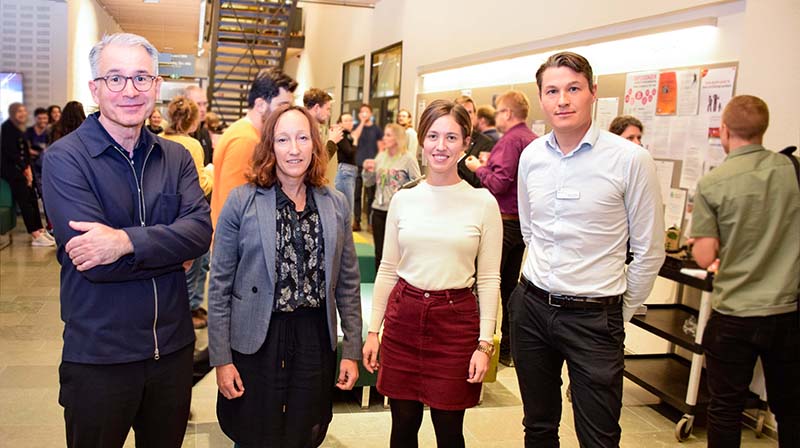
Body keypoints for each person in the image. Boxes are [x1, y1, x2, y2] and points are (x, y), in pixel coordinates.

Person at [41, 33, 212, 448]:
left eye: (141, 78)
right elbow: (96, 264)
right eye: (115, 78)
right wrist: (170, 251)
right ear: (95, 88)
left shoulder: (176, 158)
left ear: (156, 86)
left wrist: (123, 242)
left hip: (171, 355)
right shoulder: (66, 159)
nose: (130, 90)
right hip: (101, 358)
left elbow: (200, 233)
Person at [514, 52, 664, 447]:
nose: (562, 99)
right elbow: (531, 231)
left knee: (598, 435)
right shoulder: (531, 156)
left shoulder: (630, 160)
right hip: (532, 308)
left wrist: (617, 309)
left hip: (595, 318)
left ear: (593, 93)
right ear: (542, 98)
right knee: (538, 426)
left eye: (573, 88)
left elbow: (650, 250)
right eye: (553, 90)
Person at [208, 105, 362, 447]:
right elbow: (219, 285)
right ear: (269, 147)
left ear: (315, 145)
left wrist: (351, 348)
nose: (294, 149)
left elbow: (348, 284)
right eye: (283, 139)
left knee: (303, 431)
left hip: (313, 336)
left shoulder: (334, 203)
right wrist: (221, 359)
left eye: (303, 138)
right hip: (256, 336)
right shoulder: (242, 201)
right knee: (253, 431)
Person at [362, 99, 502, 448]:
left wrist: (485, 344)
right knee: (403, 423)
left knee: (449, 427)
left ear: (466, 143)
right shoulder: (404, 199)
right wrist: (372, 331)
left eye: (452, 137)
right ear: (421, 140)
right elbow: (388, 269)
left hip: (455, 323)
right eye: (434, 136)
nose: (441, 146)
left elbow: (488, 280)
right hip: (404, 318)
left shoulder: (482, 203)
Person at [691, 95, 800, 448]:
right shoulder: (794, 170)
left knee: (725, 408)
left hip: (734, 314)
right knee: (792, 407)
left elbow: (705, 255)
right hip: (787, 312)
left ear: (724, 130)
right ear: (763, 130)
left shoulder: (714, 182)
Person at [464, 90, 536, 367]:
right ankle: (507, 349)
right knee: (509, 288)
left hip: (504, 223)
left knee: (487, 284)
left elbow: (498, 183)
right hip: (522, 227)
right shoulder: (532, 140)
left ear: (506, 113)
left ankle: (481, 348)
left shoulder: (511, 141)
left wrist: (478, 168)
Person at [211, 68, 296, 229]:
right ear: (260, 105)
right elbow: (234, 206)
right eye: (282, 106)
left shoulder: (246, 134)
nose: (286, 113)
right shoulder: (246, 140)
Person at [161, 95, 214, 329]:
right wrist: (213, 173)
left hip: (165, 212)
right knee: (195, 263)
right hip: (189, 213)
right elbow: (199, 184)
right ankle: (188, 309)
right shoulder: (191, 145)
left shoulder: (158, 138)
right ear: (192, 121)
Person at [362, 123, 421, 270]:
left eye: (388, 135)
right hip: (379, 210)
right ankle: (379, 286)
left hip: (399, 212)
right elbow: (368, 183)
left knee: (397, 253)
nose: (384, 138)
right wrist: (367, 171)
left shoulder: (408, 159)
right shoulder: (381, 156)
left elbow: (418, 183)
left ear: (397, 138)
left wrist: (403, 191)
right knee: (380, 252)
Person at [1, 103, 54, 247]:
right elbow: (13, 154)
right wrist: (26, 171)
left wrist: (28, 170)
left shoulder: (19, 128)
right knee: (25, 202)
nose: (22, 114)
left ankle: (40, 230)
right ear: (12, 113)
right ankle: (34, 234)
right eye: (19, 112)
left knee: (32, 200)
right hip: (15, 172)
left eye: (24, 111)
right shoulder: (7, 128)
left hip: (24, 169)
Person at [351, 103, 383, 231]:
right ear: (359, 115)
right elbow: (355, 137)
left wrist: (376, 163)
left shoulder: (377, 129)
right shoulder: (356, 127)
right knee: (357, 194)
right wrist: (362, 123)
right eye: (362, 112)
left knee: (371, 196)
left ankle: (370, 222)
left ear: (371, 113)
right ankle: (357, 221)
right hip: (357, 165)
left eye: (367, 112)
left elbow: (381, 148)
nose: (364, 114)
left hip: (372, 167)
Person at [454, 95, 495, 188]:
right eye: (462, 112)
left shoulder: (486, 144)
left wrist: (461, 156)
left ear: (475, 115)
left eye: (469, 112)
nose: (466, 116)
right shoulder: (447, 140)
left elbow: (481, 181)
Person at [303, 87, 343, 158]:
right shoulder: (304, 128)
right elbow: (317, 162)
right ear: (317, 108)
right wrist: (332, 141)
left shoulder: (310, 126)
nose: (329, 114)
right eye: (327, 109)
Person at [333, 113, 357, 216]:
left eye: (351, 120)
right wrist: (356, 141)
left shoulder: (349, 136)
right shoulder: (342, 135)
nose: (349, 123)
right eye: (346, 120)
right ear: (340, 123)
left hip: (350, 171)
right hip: (345, 172)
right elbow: (349, 152)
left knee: (348, 206)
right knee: (347, 207)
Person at [24, 107, 50, 203]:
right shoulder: (28, 131)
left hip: (45, 164)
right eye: (40, 118)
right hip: (32, 164)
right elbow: (26, 149)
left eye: (45, 118)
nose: (43, 121)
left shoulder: (50, 131)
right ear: (35, 118)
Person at [184, 85, 214, 165]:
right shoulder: (178, 134)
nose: (203, 109)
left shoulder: (204, 132)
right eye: (198, 104)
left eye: (205, 104)